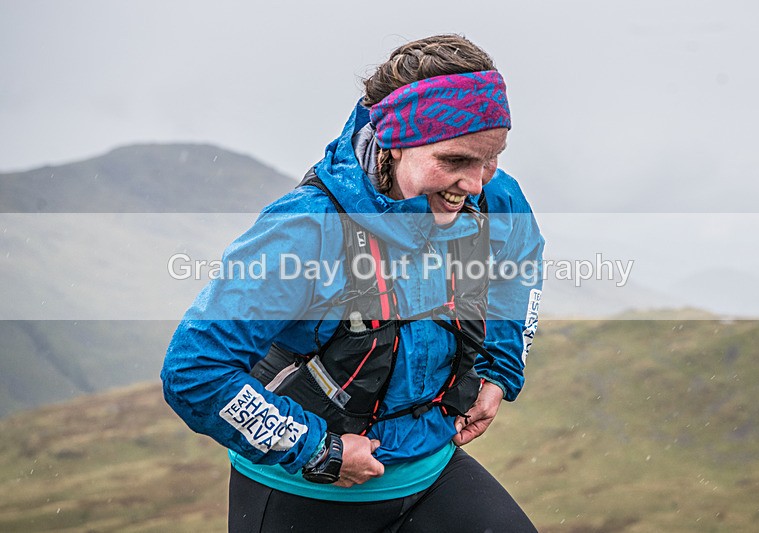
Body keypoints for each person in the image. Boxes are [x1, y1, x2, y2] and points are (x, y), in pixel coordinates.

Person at [161, 34, 544, 532]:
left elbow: (522, 261)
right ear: (393, 143)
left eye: (490, 157)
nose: (475, 182)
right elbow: (195, 370)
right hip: (299, 495)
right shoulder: (305, 230)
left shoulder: (493, 196)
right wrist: (319, 451)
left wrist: (498, 370)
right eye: (454, 161)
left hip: (430, 476)